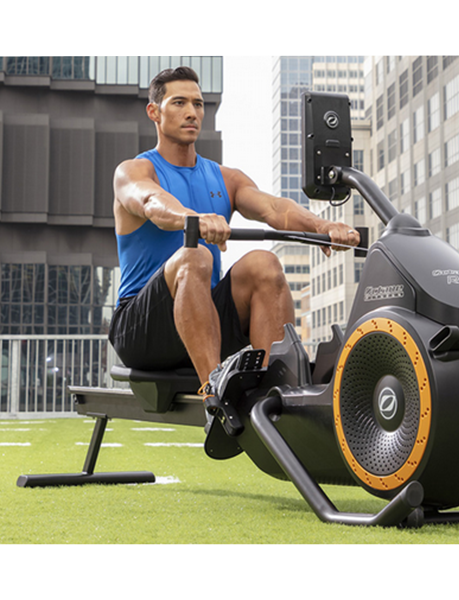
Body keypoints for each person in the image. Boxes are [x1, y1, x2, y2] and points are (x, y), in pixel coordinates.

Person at [108, 66, 359, 405]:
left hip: (204, 321)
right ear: (154, 112)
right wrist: (193, 219)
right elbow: (152, 202)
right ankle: (215, 395)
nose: (191, 112)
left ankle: (279, 393)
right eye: (179, 103)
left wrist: (322, 226)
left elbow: (274, 208)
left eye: (198, 104)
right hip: (142, 332)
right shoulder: (135, 170)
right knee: (194, 254)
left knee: (264, 264)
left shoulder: (226, 178)